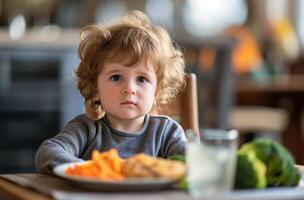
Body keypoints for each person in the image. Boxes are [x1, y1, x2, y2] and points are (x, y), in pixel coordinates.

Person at [35, 10, 187, 174]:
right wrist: (91, 169)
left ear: (156, 90)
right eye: (116, 77)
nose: (129, 89)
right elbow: (47, 152)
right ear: (95, 87)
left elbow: (193, 164)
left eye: (142, 79)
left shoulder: (167, 133)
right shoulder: (86, 130)